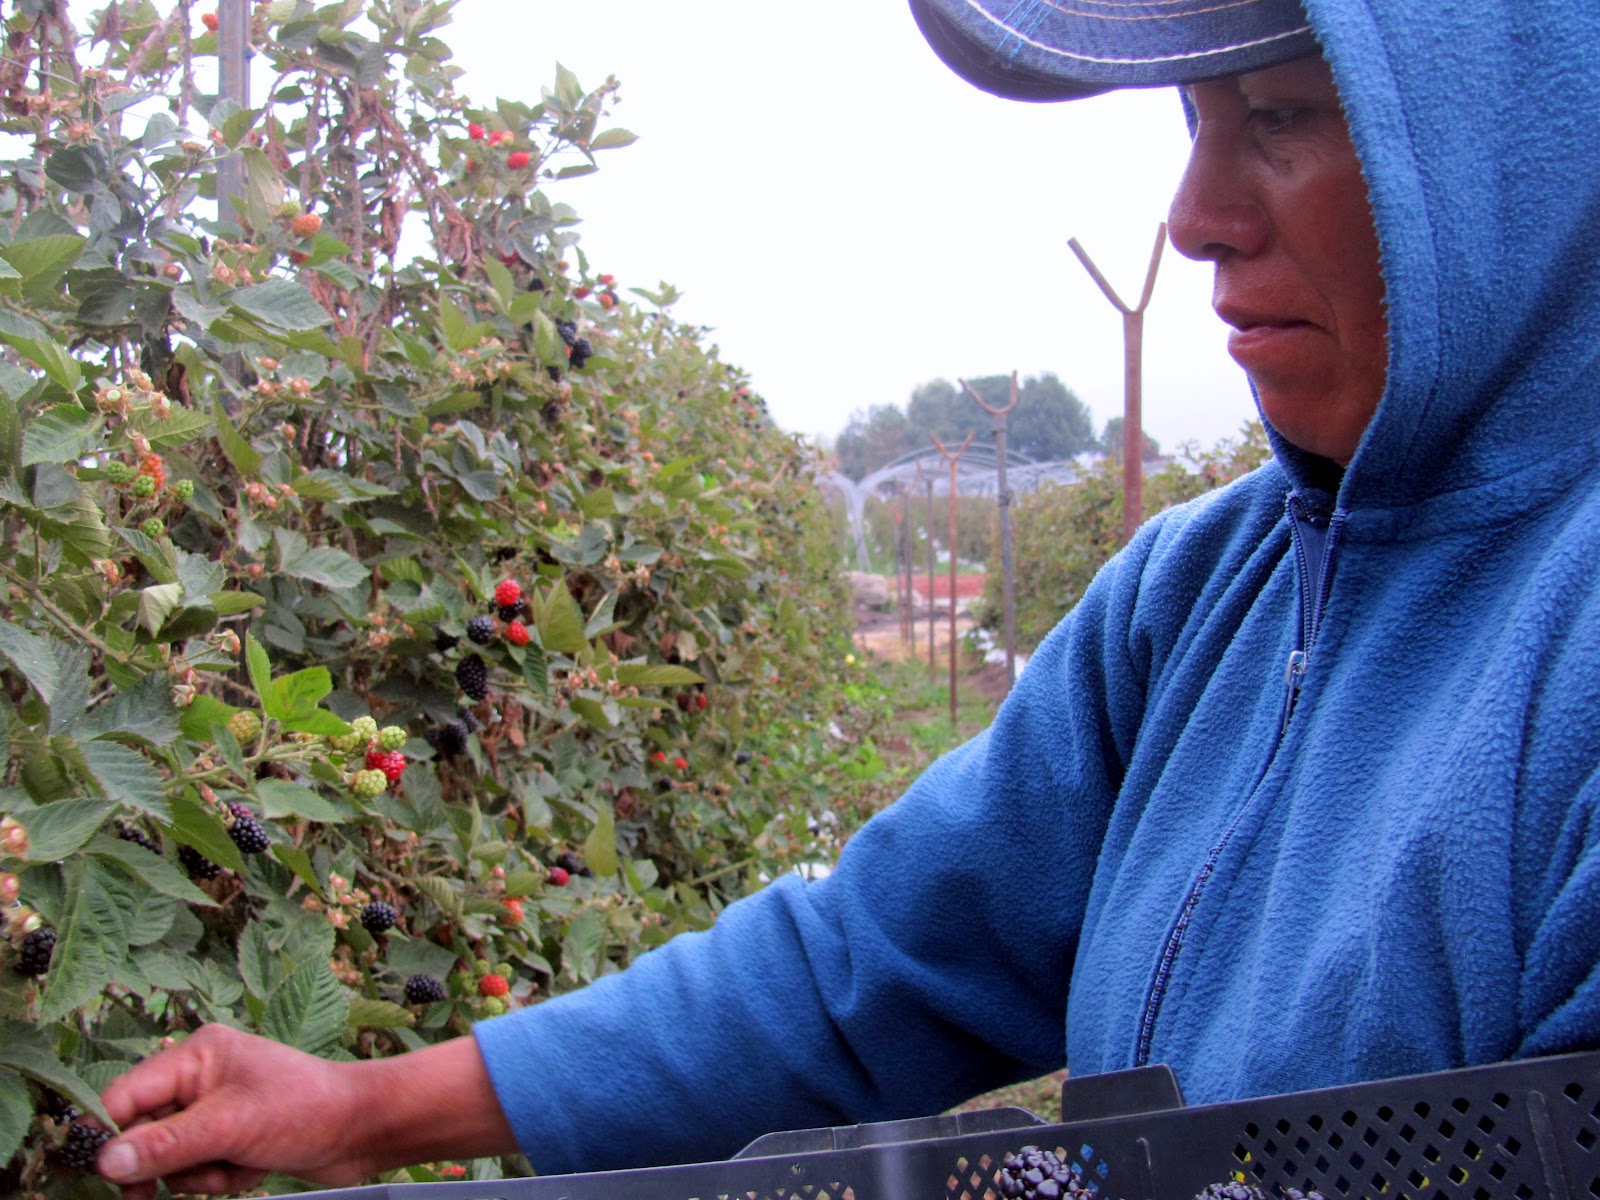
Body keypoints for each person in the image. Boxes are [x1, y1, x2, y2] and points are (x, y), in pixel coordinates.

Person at [93, 0, 1600, 1195]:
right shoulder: (1195, 598)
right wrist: (367, 1109)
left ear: (1511, 144)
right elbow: (866, 967)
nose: (1196, 214)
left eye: (1276, 118)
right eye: (1197, 122)